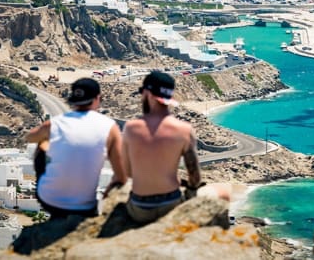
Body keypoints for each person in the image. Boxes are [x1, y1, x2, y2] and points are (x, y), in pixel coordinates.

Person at [123, 71, 229, 224]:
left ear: (147, 93)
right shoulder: (184, 130)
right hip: (171, 203)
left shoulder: (131, 128)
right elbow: (195, 176)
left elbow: (127, 171)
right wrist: (188, 189)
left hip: (140, 207)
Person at [27, 77, 126, 219]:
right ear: (98, 98)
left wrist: (48, 139)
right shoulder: (110, 127)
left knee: (43, 143)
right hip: (85, 206)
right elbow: (120, 173)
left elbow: (30, 137)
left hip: (49, 200)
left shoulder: (55, 123)